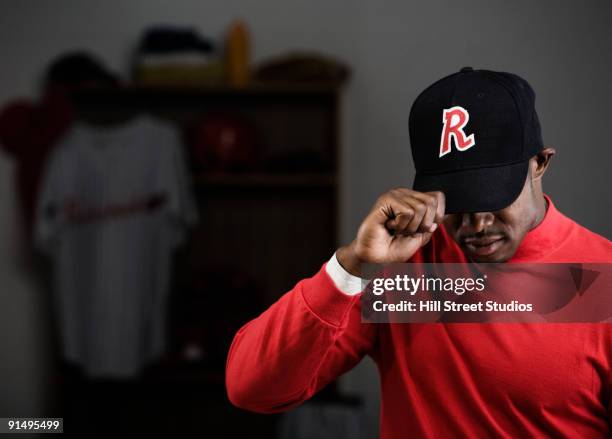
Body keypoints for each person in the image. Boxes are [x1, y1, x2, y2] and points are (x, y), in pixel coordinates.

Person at [225, 67, 612, 438]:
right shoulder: (404, 271)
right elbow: (252, 388)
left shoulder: (602, 279)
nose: (476, 224)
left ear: (540, 163)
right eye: (457, 202)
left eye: (494, 197)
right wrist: (352, 265)